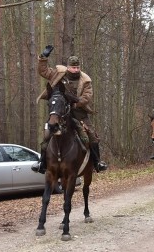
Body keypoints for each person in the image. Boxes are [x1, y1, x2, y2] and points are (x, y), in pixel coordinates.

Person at [33, 45, 108, 173]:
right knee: (46, 135)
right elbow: (43, 71)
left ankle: (97, 162)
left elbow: (87, 97)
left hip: (78, 113)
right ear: (68, 67)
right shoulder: (58, 73)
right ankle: (42, 163)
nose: (75, 70)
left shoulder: (85, 81)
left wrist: (76, 104)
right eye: (73, 67)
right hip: (59, 113)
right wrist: (43, 58)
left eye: (77, 67)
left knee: (91, 136)